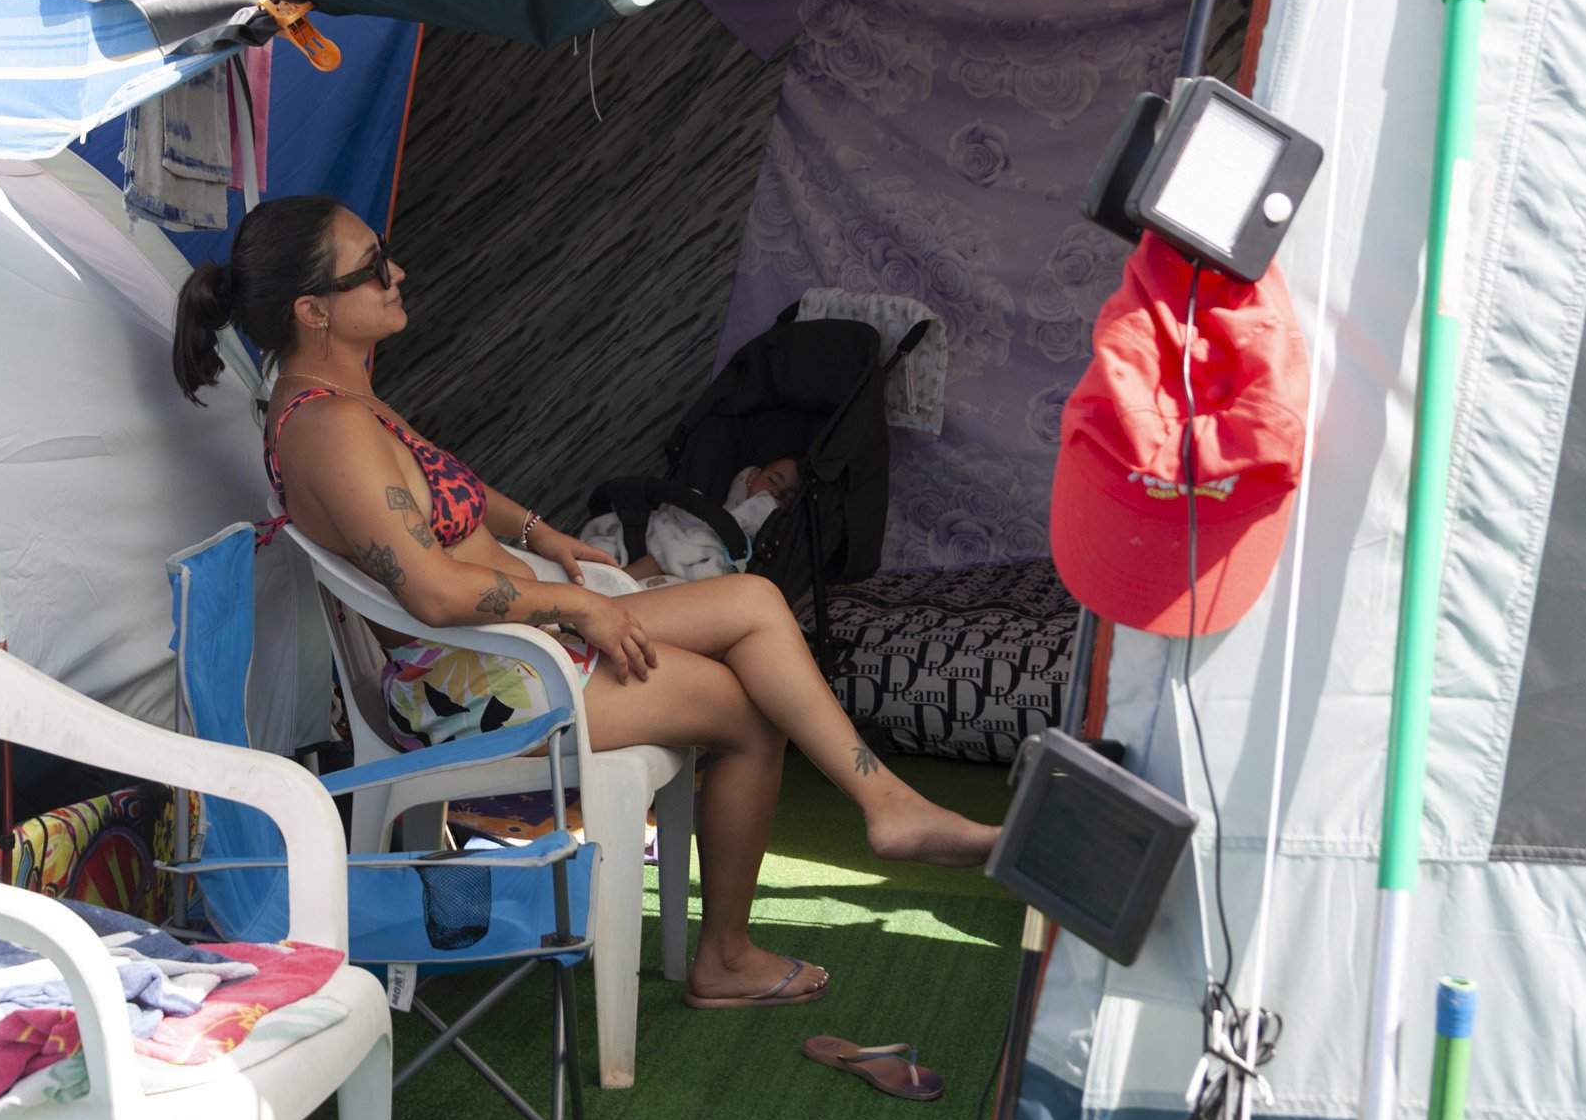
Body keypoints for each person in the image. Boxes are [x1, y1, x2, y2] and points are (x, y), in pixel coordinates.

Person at [171, 195, 999, 1010]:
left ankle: (887, 803)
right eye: (373, 268)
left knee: (750, 600)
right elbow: (429, 585)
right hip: (474, 677)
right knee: (751, 713)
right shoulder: (329, 428)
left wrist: (546, 533)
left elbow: (440, 478)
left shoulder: (343, 396)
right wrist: (574, 604)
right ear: (314, 309)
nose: (398, 273)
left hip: (502, 639)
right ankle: (727, 955)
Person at [579, 455, 803, 585]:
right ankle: (598, 584)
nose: (776, 493)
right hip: (646, 539)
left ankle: (610, 587)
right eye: (773, 480)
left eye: (788, 497)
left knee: (689, 547)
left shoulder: (751, 556)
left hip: (677, 576)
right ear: (751, 477)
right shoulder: (692, 503)